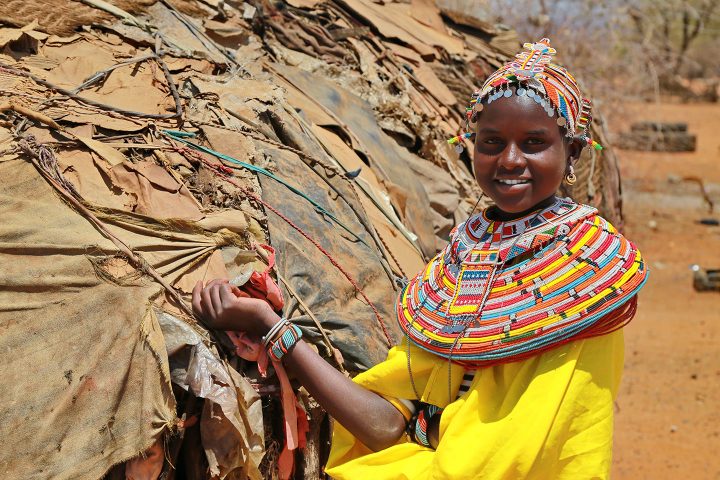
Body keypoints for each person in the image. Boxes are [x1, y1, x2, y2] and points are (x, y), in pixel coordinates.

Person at [191, 38, 648, 479]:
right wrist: (270, 326)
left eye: (533, 143)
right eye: (491, 142)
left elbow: (511, 459)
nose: (509, 160)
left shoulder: (586, 275)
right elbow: (387, 425)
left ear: (573, 153)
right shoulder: (461, 261)